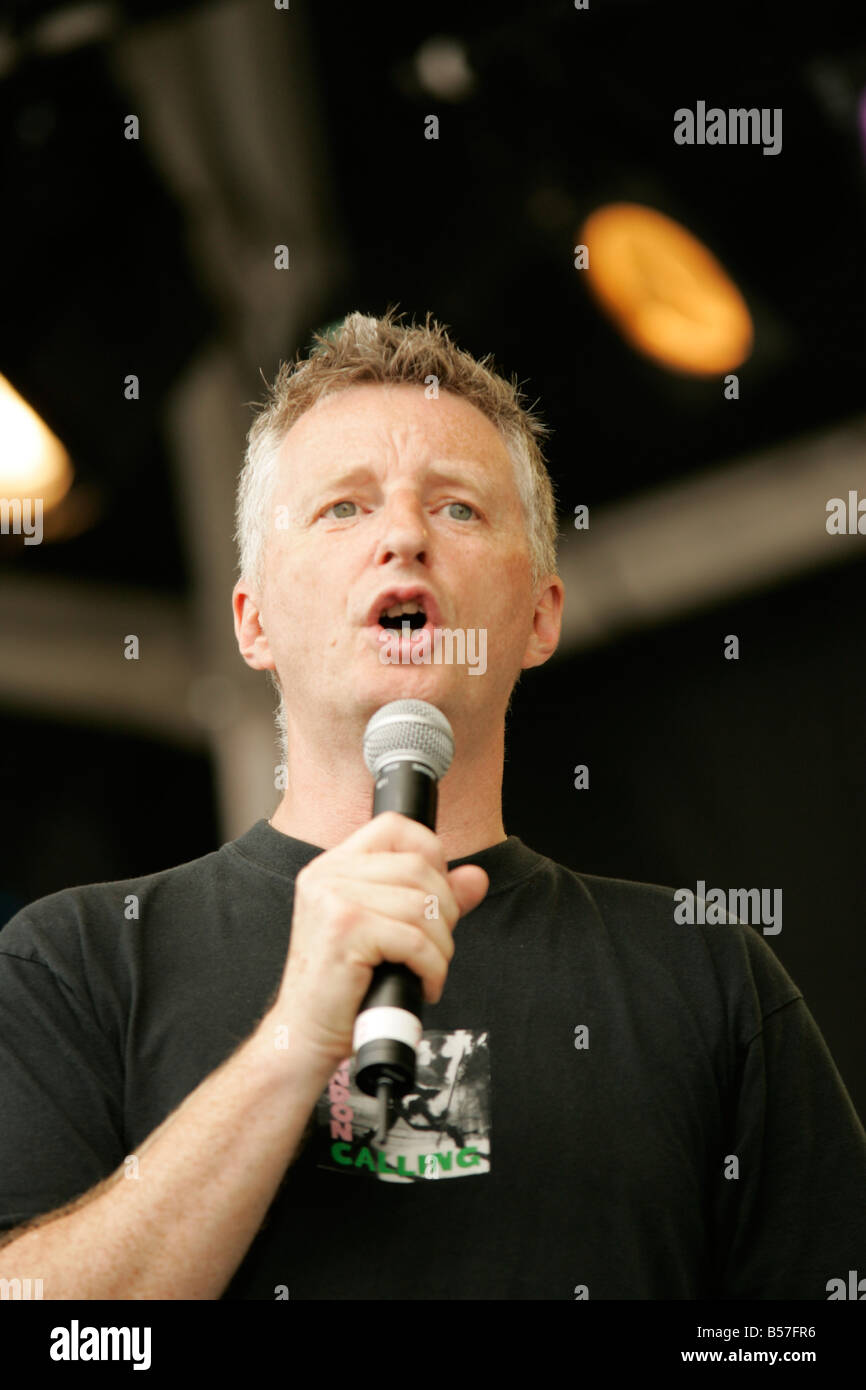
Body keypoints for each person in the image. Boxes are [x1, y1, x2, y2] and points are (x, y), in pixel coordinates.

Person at [0, 310, 864, 1300]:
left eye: (455, 508)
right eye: (342, 509)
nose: (403, 534)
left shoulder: (706, 977)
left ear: (539, 616)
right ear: (252, 622)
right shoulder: (81, 958)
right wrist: (293, 1044)